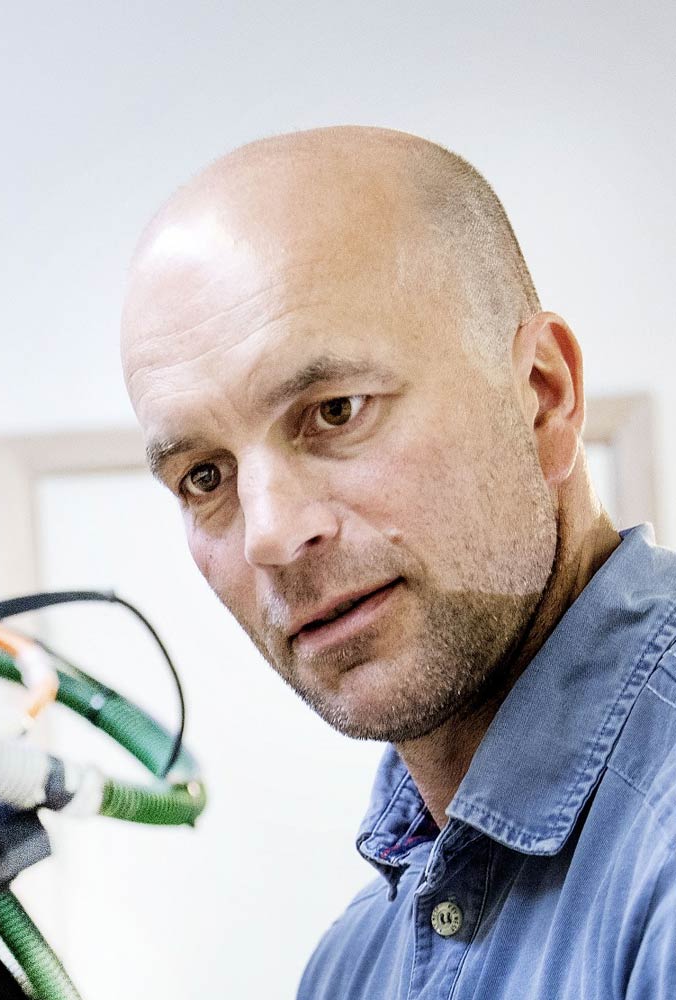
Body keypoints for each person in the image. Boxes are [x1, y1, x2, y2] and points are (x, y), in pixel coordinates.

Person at [119, 125, 676, 998]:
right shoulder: (354, 966)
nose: (270, 536)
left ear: (542, 397)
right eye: (205, 476)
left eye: (335, 411)